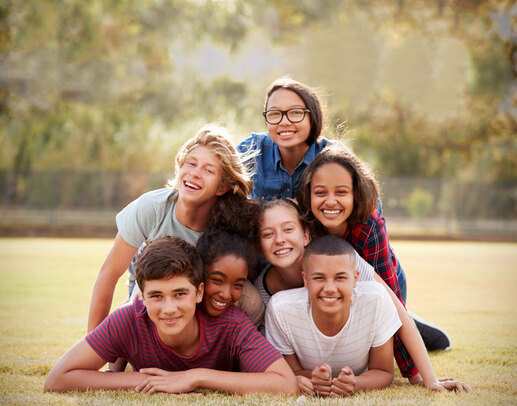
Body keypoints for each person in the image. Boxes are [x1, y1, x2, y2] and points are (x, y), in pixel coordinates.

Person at [238, 76, 450, 350]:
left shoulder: (333, 157)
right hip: (280, 264)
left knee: (373, 311)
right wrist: (275, 210)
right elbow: (227, 203)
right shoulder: (250, 151)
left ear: (312, 116)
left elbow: (367, 218)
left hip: (345, 264)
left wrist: (407, 359)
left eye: (295, 113)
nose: (284, 122)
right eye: (275, 114)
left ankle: (404, 323)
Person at [257, 199, 470, 392]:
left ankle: (413, 325)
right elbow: (275, 359)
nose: (279, 239)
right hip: (307, 327)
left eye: (287, 229)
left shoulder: (338, 259)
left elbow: (396, 310)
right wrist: (300, 378)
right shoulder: (266, 299)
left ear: (306, 235)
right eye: (268, 234)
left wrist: (424, 378)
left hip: (365, 314)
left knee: (390, 314)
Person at [45, 236, 298, 395]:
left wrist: (193, 377)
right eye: (156, 296)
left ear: (199, 292)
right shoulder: (129, 319)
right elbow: (58, 379)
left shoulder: (231, 323)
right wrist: (143, 380)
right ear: (141, 296)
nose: (168, 308)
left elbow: (285, 385)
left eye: (179, 294)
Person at [87, 124, 262, 333]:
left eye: (208, 170)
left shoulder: (230, 221)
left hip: (201, 294)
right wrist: (93, 345)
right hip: (151, 292)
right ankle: (120, 356)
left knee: (252, 299)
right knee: (140, 300)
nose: (195, 173)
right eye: (191, 163)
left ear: (222, 187)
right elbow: (109, 273)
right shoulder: (152, 208)